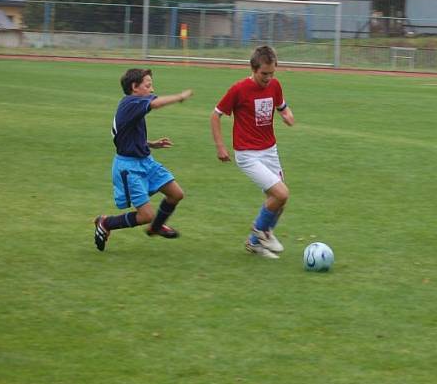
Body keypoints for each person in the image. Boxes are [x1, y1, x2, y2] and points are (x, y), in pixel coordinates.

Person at [94, 69, 193, 251]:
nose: (152, 89)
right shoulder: (131, 102)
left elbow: (122, 135)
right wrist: (180, 96)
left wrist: (150, 144)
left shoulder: (131, 105)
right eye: (148, 85)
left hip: (145, 161)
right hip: (129, 167)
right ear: (134, 87)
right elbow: (155, 104)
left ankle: (155, 228)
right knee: (146, 215)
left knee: (176, 194)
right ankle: (106, 223)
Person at [210, 45, 295, 259]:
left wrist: (287, 115)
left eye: (272, 73)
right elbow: (215, 115)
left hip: (270, 151)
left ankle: (255, 243)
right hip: (248, 154)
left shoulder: (275, 85)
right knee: (281, 194)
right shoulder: (239, 89)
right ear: (253, 69)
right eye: (264, 74)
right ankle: (261, 231)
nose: (268, 78)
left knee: (279, 201)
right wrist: (220, 146)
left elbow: (282, 106)